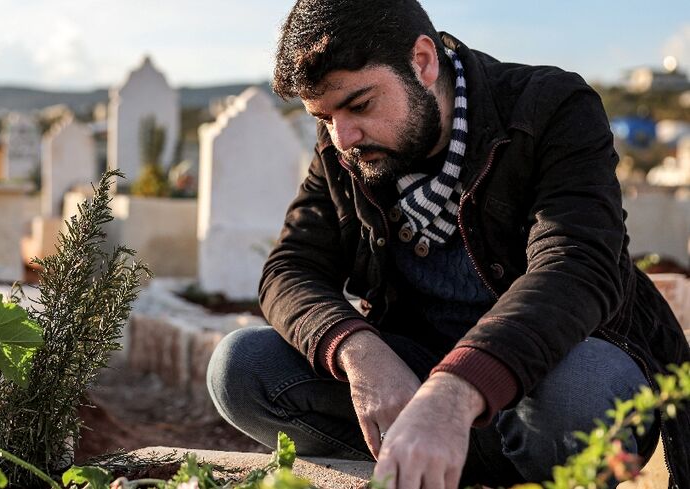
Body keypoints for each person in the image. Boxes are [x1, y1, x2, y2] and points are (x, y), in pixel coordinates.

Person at [206, 1, 690, 488]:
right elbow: (290, 269)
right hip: (413, 385)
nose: (343, 136)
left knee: (580, 394)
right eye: (324, 117)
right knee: (241, 367)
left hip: (543, 385)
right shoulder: (345, 145)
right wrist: (360, 351)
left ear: (422, 61)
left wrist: (456, 390)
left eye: (360, 105)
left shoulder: (550, 106)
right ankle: (426, 464)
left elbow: (578, 265)